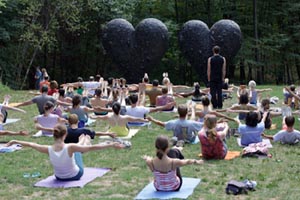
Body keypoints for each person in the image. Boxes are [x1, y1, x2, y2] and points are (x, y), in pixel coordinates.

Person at [5, 124, 124, 181]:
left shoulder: (48, 148)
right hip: (75, 176)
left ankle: (82, 140)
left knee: (76, 149)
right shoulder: (70, 147)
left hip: (59, 177)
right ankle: (83, 140)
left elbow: (31, 144)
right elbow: (92, 148)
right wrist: (111, 144)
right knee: (77, 150)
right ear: (65, 135)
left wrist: (15, 140)